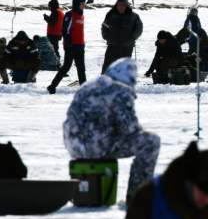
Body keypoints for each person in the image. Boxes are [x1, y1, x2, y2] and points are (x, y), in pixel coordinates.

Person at [63, 58, 160, 196]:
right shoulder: (120, 89)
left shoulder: (88, 86)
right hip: (97, 148)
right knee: (151, 142)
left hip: (74, 147)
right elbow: (129, 128)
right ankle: (137, 195)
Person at [48, 0, 87, 94]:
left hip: (80, 45)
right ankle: (52, 86)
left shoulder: (81, 15)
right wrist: (69, 43)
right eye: (82, 4)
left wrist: (82, 43)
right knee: (66, 67)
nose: (84, 6)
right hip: (71, 46)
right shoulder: (70, 15)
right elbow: (65, 30)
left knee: (81, 67)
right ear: (77, 4)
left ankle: (84, 88)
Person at [102, 0, 144, 73]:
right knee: (107, 66)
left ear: (126, 6)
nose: (121, 7)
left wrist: (132, 38)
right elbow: (104, 26)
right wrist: (106, 36)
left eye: (123, 5)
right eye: (119, 5)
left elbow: (139, 28)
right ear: (116, 5)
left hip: (127, 47)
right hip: (112, 45)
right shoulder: (111, 15)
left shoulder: (133, 16)